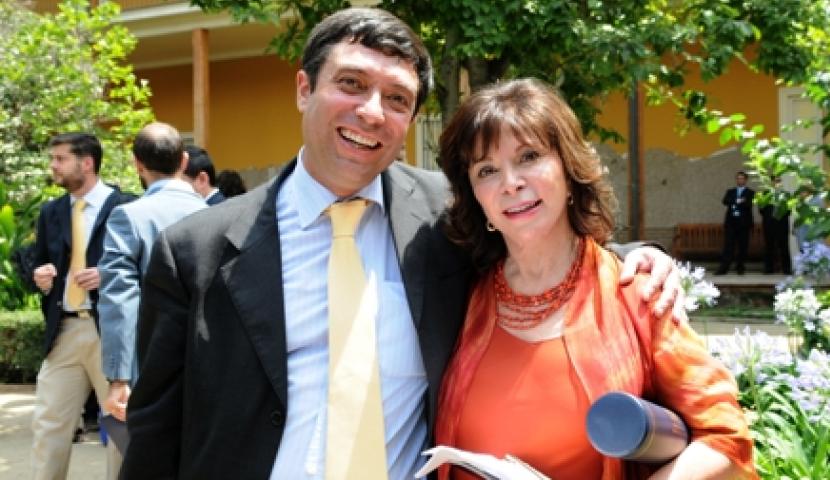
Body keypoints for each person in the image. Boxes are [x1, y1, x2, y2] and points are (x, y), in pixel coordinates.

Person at [123, 8, 685, 479]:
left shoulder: (447, 217)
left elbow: (538, 234)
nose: (372, 112)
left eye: (397, 99)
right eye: (351, 84)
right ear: (303, 89)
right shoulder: (194, 250)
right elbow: (154, 433)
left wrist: (635, 259)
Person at [433, 79, 755, 479]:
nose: (510, 182)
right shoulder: (459, 296)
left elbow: (725, 436)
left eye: (529, 156)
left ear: (569, 170)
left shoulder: (638, 292)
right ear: (476, 195)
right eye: (487, 170)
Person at [30, 132, 132, 480]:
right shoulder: (51, 212)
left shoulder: (128, 207)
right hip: (65, 331)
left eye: (60, 159)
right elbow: (40, 263)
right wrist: (40, 275)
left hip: (113, 331)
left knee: (121, 428)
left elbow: (148, 265)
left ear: (86, 163)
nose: (53, 166)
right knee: (48, 425)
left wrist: (109, 275)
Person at [98, 122, 208, 426]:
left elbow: (119, 296)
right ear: (184, 161)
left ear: (138, 164)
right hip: (210, 360)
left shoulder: (128, 217)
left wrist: (118, 376)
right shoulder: (218, 215)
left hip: (151, 361)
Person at [715, 171, 755, 275]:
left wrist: (737, 201)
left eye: (742, 178)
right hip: (731, 223)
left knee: (743, 246)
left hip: (744, 223)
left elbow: (748, 204)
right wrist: (738, 200)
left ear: (745, 180)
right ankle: (724, 267)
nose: (739, 180)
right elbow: (725, 201)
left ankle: (740, 267)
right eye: (738, 178)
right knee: (728, 245)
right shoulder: (731, 191)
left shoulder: (750, 192)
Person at [759, 179, 792, 274]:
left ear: (781, 183)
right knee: (769, 246)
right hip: (769, 224)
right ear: (771, 183)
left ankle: (786, 269)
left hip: (782, 224)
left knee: (784, 247)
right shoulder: (765, 194)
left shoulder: (786, 195)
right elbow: (761, 209)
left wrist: (779, 215)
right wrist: (770, 216)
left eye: (778, 181)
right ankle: (768, 269)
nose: (776, 183)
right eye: (774, 181)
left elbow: (789, 210)